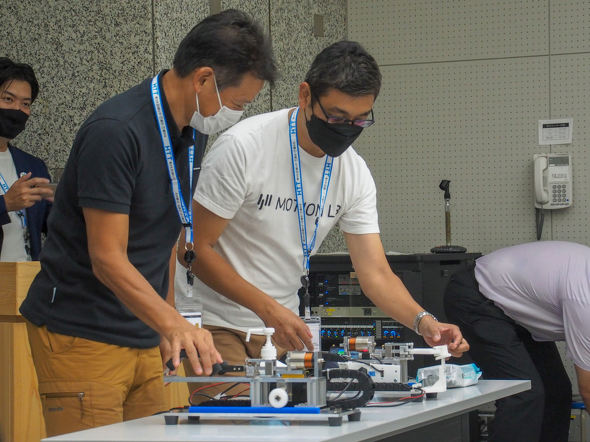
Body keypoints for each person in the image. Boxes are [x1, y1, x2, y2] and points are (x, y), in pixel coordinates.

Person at [19, 9, 276, 437]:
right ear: (204, 79)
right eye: (238, 103)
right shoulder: (117, 130)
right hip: (83, 332)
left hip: (146, 329)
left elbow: (165, 240)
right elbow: (107, 258)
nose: (236, 114)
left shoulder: (191, 129)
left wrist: (166, 322)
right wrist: (172, 323)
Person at [179, 41, 469, 399]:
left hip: (282, 330)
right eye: (336, 117)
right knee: (238, 420)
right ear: (305, 96)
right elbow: (192, 249)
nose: (346, 129)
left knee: (300, 419)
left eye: (359, 120)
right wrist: (269, 310)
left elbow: (376, 273)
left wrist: (424, 322)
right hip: (217, 323)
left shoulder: (354, 172)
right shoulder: (244, 147)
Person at [444, 241, 590, 442]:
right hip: (477, 296)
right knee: (524, 394)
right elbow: (588, 389)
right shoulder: (583, 301)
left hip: (518, 307)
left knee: (557, 391)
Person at [0, 57, 53, 261]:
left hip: (26, 277)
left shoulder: (33, 166)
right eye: (8, 99)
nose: (17, 110)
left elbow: (56, 225)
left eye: (25, 104)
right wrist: (5, 203)